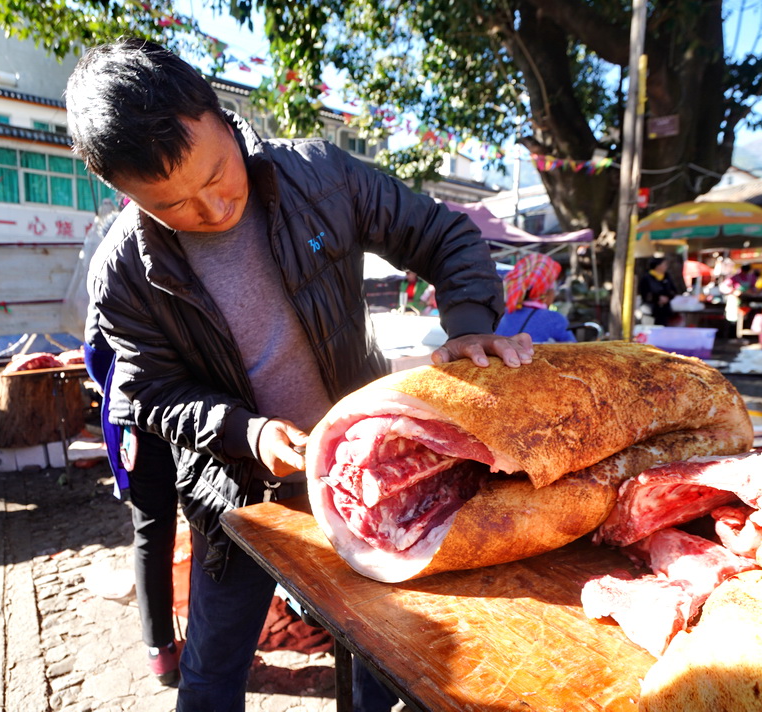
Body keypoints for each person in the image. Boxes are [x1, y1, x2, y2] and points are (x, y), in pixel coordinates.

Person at [66, 38, 532, 712]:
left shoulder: (320, 176)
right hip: (239, 495)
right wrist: (247, 434)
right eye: (174, 207)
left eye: (218, 174)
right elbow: (150, 393)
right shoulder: (122, 272)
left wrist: (469, 324)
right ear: (123, 193)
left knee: (385, 646)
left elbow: (445, 236)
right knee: (213, 668)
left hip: (371, 467)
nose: (213, 209)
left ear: (223, 119)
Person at [82, 203, 183, 686]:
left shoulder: (111, 252)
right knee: (210, 524)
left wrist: (120, 393)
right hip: (181, 410)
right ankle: (196, 645)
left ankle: (161, 653)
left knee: (152, 532)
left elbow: (94, 354)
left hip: (139, 414)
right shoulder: (192, 238)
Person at [495, 253, 576, 343]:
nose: (555, 294)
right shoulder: (554, 319)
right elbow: (575, 350)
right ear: (546, 292)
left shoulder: (499, 316)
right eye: (555, 289)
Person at [637, 256, 678, 326]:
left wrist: (667, 298)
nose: (666, 267)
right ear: (658, 266)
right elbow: (644, 293)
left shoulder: (667, 277)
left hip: (664, 311)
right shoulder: (646, 278)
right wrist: (657, 298)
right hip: (650, 311)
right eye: (664, 264)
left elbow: (673, 291)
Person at [719, 263, 756, 337]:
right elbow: (723, 287)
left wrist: (752, 291)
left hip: (746, 300)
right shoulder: (735, 277)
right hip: (735, 300)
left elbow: (753, 288)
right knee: (732, 319)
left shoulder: (751, 277)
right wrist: (733, 291)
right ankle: (731, 335)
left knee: (745, 318)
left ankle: (743, 335)